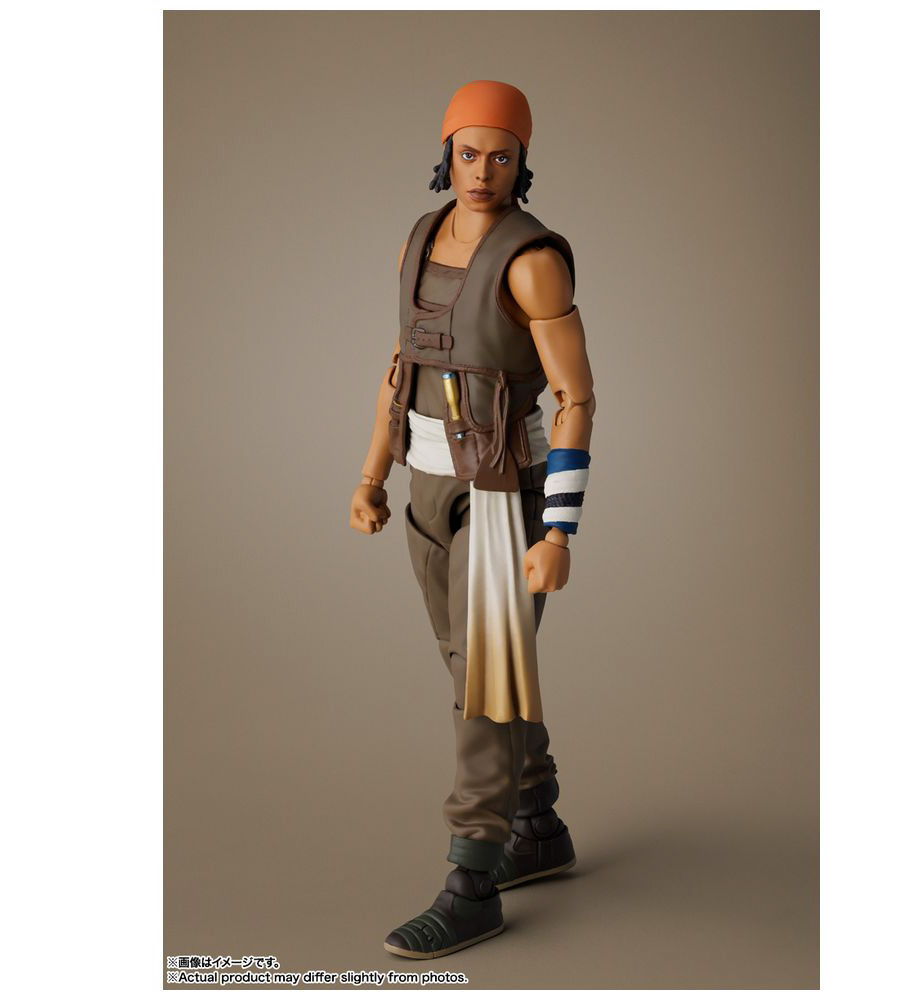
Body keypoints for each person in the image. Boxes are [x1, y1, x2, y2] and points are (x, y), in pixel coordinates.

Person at [349, 80, 596, 959]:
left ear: (522, 162)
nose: (482, 170)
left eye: (501, 156)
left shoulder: (531, 261)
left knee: (485, 682)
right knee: (473, 664)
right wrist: (372, 473)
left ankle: (473, 878)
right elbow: (401, 365)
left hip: (500, 494)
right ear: (445, 153)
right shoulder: (419, 241)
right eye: (467, 152)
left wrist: (557, 530)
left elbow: (575, 397)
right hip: (425, 482)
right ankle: (537, 823)